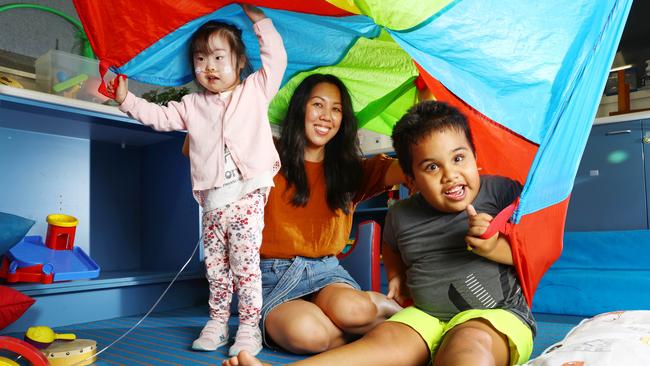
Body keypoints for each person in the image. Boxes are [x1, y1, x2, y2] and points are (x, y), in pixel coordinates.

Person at [223, 100, 535, 366]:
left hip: (494, 315)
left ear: (474, 155)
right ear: (410, 177)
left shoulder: (499, 191)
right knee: (379, 342)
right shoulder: (401, 214)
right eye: (431, 167)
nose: (450, 175)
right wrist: (397, 275)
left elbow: (535, 249)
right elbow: (392, 247)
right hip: (425, 317)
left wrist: (495, 247)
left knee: (469, 342)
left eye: (458, 158)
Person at [107, 4, 286, 357]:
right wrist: (126, 99)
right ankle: (218, 322)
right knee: (216, 267)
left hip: (248, 193)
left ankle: (249, 326)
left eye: (219, 58)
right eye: (201, 60)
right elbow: (158, 116)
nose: (209, 67)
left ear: (239, 63)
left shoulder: (255, 90)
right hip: (213, 201)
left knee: (245, 263)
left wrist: (259, 20)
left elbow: (276, 57)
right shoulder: (192, 104)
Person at [256, 73, 405, 355]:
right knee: (309, 336)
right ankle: (374, 334)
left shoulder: (349, 169)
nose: (326, 116)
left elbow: (413, 166)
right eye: (318, 105)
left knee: (355, 312)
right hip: (272, 277)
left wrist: (426, 100)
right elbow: (196, 148)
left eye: (336, 109)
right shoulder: (267, 154)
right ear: (300, 107)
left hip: (326, 272)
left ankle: (373, 307)